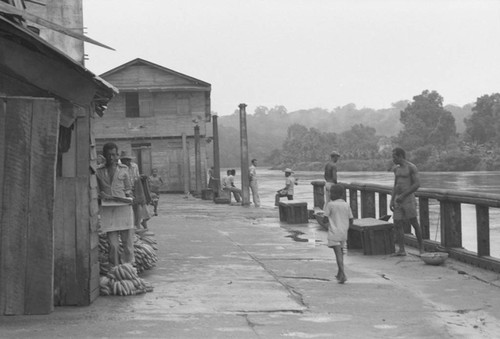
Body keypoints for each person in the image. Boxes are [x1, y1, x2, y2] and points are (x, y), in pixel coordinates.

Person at [96, 143, 135, 266]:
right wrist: (100, 194)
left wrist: (128, 196)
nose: (111, 157)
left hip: (124, 209)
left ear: (117, 155)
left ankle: (129, 268)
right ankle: (115, 268)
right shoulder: (99, 171)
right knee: (113, 245)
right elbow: (96, 190)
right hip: (108, 211)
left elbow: (129, 189)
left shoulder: (124, 169)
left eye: (113, 154)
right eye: (108, 155)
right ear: (104, 156)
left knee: (127, 243)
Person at [390, 147, 425, 256]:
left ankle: (421, 248)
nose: (393, 159)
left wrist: (404, 195)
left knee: (414, 222)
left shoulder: (411, 167)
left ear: (400, 156)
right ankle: (401, 250)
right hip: (398, 199)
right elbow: (395, 185)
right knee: (397, 223)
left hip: (408, 199)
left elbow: (416, 184)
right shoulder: (396, 169)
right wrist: (392, 199)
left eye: (394, 157)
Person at [323, 184, 353, 284]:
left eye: (331, 192)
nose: (330, 194)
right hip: (344, 232)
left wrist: (329, 225)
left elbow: (324, 219)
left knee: (338, 254)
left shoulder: (330, 205)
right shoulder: (346, 204)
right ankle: (339, 273)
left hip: (334, 232)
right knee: (341, 252)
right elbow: (351, 219)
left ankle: (343, 274)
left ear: (334, 194)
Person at [120, 151, 150, 229]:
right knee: (130, 207)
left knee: (139, 205)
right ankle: (133, 224)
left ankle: (139, 223)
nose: (127, 161)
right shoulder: (120, 167)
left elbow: (136, 176)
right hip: (125, 189)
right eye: (125, 160)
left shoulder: (134, 166)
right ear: (122, 160)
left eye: (128, 159)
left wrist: (140, 177)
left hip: (135, 188)